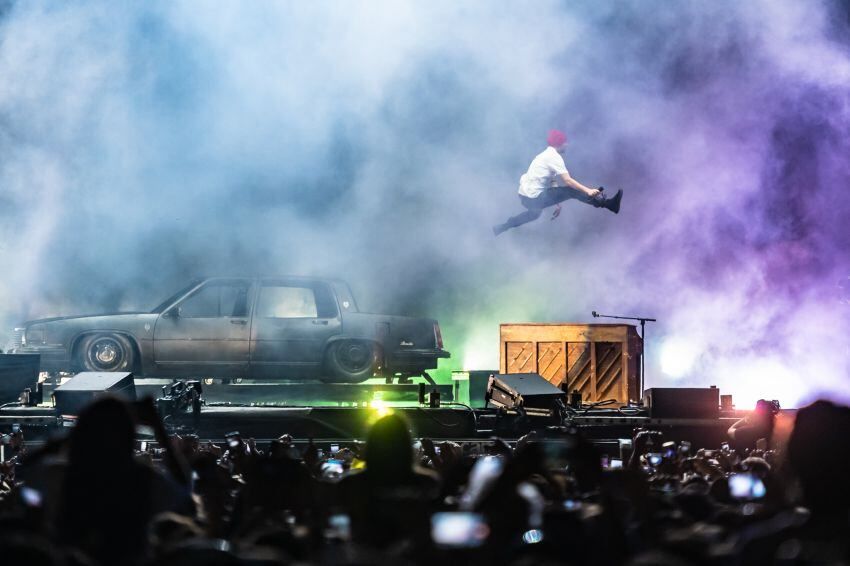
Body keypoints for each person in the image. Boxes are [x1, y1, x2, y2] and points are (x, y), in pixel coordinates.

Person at [493, 129, 623, 236]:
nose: (567, 145)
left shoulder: (546, 155)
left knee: (534, 214)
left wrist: (557, 203)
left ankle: (502, 227)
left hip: (525, 197)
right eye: (564, 142)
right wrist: (588, 190)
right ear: (559, 143)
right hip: (532, 197)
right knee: (570, 191)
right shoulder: (554, 157)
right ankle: (607, 204)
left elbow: (553, 180)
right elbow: (567, 180)